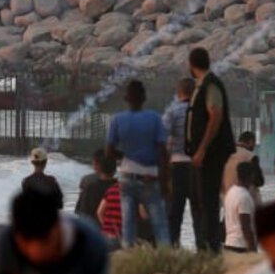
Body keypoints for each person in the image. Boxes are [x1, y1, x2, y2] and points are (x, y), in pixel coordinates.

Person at [105, 80, 171, 248]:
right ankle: (165, 258)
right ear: (144, 98)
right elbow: (163, 153)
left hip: (126, 176)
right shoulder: (155, 119)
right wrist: (165, 181)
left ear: (126, 98)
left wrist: (127, 156)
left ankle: (128, 258)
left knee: (128, 224)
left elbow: (109, 152)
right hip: (149, 177)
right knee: (160, 223)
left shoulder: (117, 120)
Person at [187, 47, 235, 253]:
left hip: (211, 153)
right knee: (203, 199)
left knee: (208, 199)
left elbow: (216, 116)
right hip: (205, 153)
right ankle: (206, 245)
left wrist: (202, 149)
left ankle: (210, 247)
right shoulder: (203, 84)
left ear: (191, 64)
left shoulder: (210, 85)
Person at [164, 77, 196, 248]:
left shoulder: (173, 111)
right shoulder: (203, 111)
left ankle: (173, 248)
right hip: (198, 167)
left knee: (174, 212)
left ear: (179, 92)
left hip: (177, 167)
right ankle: (203, 247)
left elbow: (162, 139)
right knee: (199, 211)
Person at [223, 161, 259, 254]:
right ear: (252, 176)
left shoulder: (231, 192)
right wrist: (253, 249)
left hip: (229, 242)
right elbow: (245, 226)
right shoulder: (244, 196)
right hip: (241, 246)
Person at [74, 155, 114, 225]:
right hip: (111, 227)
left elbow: (80, 209)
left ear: (97, 165)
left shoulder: (87, 181)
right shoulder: (119, 187)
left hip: (92, 225)